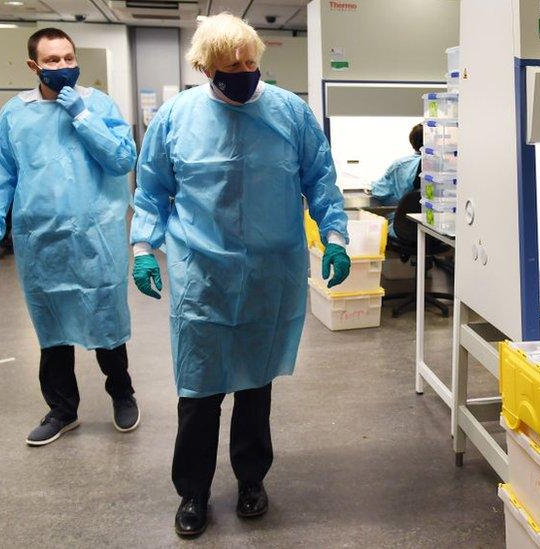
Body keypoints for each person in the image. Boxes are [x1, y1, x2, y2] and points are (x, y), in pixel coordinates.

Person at [129, 13, 351, 538]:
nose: (245, 71)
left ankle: (252, 480)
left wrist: (336, 237)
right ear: (207, 68)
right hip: (201, 272)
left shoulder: (289, 113)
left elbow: (320, 178)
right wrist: (143, 246)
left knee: (255, 385)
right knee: (199, 390)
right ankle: (193, 491)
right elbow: (152, 188)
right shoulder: (177, 117)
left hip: (270, 272)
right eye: (232, 65)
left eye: (252, 62)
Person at [0, 28, 140, 446]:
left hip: (96, 236)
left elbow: (123, 158)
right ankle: (63, 410)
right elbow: (1, 173)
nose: (63, 66)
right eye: (52, 60)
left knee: (106, 319)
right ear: (34, 66)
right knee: (51, 328)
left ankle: (122, 394)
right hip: (42, 239)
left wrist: (82, 115)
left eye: (69, 57)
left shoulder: (99, 103)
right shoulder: (15, 113)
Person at [369, 123, 423, 237]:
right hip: (435, 232)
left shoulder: (401, 165)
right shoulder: (442, 168)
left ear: (412, 142)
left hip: (405, 227)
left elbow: (379, 192)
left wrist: (371, 186)